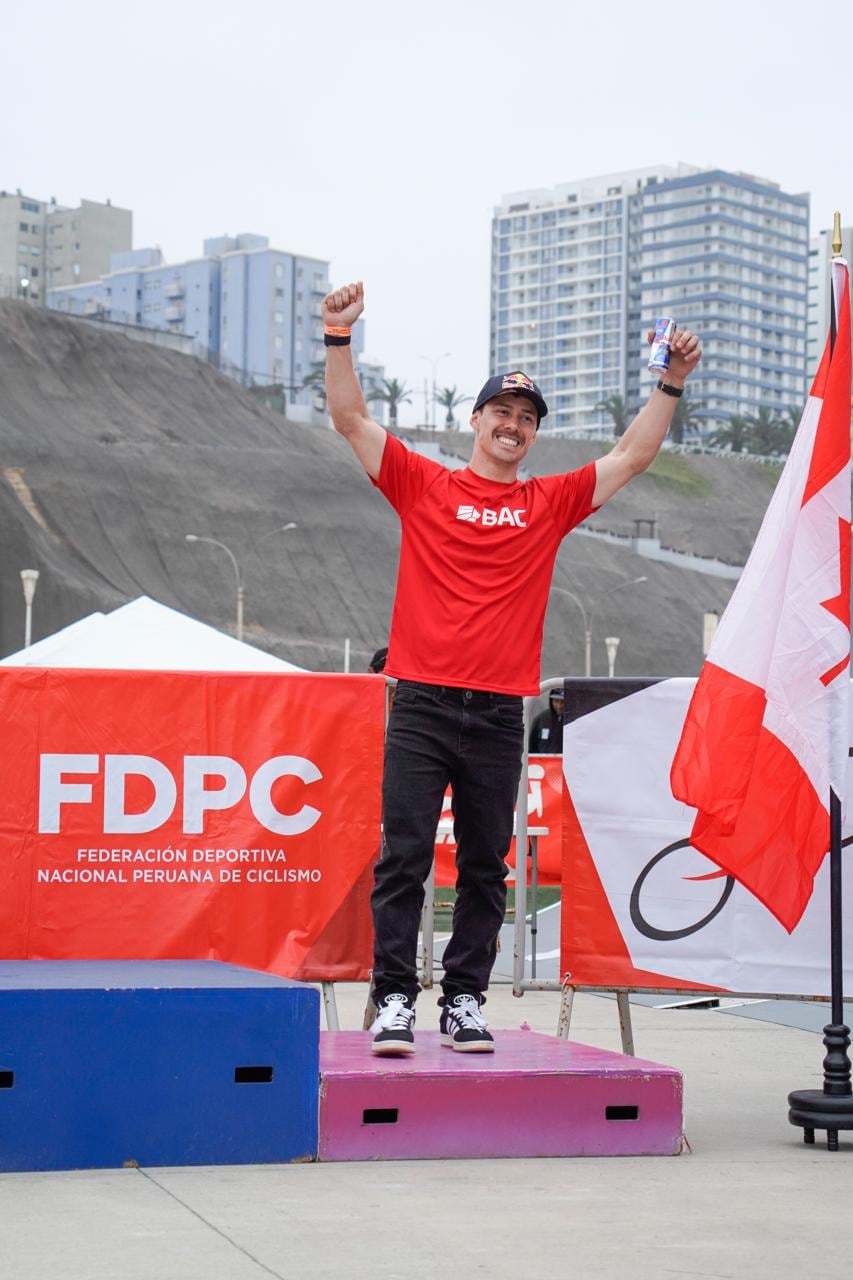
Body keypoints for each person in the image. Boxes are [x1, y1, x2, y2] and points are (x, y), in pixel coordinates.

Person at [324, 281, 700, 1055]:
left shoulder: (549, 503)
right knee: (403, 856)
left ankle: (464, 1000)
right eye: (503, 412)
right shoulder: (422, 483)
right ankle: (394, 998)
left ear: (532, 437)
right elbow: (352, 419)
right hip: (422, 705)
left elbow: (630, 456)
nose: (513, 426)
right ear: (476, 419)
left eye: (527, 420)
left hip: (498, 713)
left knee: (487, 868)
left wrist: (670, 383)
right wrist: (337, 337)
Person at [529, 688, 565, 754]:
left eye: (563, 702)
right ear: (551, 701)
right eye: (556, 701)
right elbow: (532, 747)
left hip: (568, 763)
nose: (559, 706)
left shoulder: (574, 720)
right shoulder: (540, 719)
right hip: (543, 763)